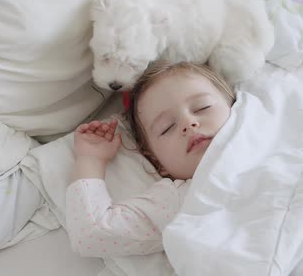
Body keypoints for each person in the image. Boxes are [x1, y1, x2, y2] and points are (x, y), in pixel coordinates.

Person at [65, 61, 236, 257]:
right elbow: (92, 235)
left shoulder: (266, 121)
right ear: (158, 163)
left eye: (202, 107)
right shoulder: (182, 201)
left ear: (235, 103)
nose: (189, 123)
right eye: (167, 128)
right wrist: (91, 159)